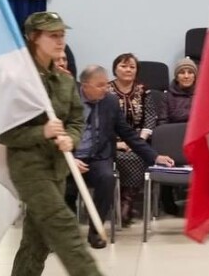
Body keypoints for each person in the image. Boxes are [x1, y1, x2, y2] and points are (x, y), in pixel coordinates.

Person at [0, 12, 146, 276]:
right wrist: (42, 132)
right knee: (63, 223)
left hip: (56, 166)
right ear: (33, 37)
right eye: (52, 35)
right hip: (29, 166)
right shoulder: (18, 79)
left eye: (62, 34)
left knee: (37, 240)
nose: (60, 40)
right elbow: (0, 131)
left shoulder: (65, 82)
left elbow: (77, 121)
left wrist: (71, 138)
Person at [69, 65, 175, 248]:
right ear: (85, 86)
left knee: (107, 178)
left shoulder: (110, 101)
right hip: (71, 156)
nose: (105, 89)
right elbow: (58, 134)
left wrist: (154, 157)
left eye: (105, 84)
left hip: (98, 157)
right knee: (63, 187)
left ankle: (96, 231)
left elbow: (128, 133)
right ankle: (62, 234)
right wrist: (70, 159)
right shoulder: (69, 101)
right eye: (100, 85)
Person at [108, 53, 158, 225]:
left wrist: (139, 140)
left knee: (138, 157)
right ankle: (116, 202)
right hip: (111, 140)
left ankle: (126, 203)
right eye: (123, 66)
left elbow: (150, 118)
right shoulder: (105, 90)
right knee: (117, 157)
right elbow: (100, 120)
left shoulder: (144, 91)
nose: (128, 70)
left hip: (137, 140)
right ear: (115, 69)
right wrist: (118, 143)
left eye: (132, 67)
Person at [164, 58, 197, 123]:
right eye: (182, 73)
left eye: (190, 72)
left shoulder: (203, 95)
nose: (186, 76)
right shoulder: (167, 96)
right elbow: (162, 123)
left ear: (194, 77)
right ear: (177, 77)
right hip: (175, 129)